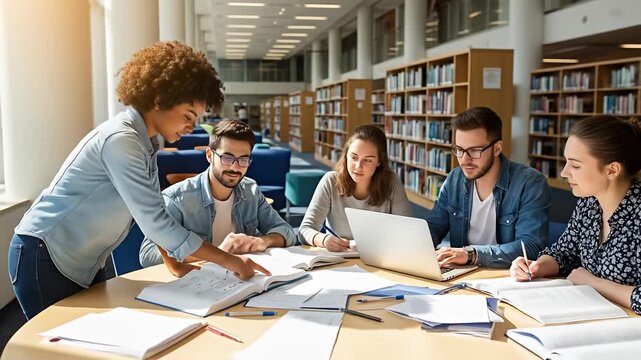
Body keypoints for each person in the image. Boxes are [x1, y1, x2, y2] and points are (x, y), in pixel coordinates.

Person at [7, 42, 268, 320]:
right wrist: (230, 261)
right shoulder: (122, 141)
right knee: (54, 343)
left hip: (83, 259)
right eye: (188, 116)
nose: (192, 126)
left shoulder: (146, 142)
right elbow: (157, 223)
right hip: (44, 254)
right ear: (160, 99)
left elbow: (151, 211)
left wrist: (175, 266)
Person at [511, 115, 641, 315]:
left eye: (576, 165)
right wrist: (537, 266)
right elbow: (564, 253)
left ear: (612, 170)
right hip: (593, 318)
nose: (564, 172)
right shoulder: (589, 203)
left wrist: (592, 283)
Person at [139, 119, 297, 272]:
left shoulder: (251, 191)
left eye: (243, 159)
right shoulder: (177, 198)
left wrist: (262, 241)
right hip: (197, 282)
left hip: (241, 278)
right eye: (227, 158)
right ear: (209, 155)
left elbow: (287, 231)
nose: (235, 167)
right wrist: (217, 253)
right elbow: (148, 254)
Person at [427, 107, 551, 268]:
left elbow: (530, 246)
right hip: (461, 275)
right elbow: (434, 226)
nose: (464, 160)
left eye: (474, 151)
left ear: (497, 148)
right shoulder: (455, 178)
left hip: (506, 278)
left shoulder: (530, 183)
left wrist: (472, 254)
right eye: (459, 150)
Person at [299, 124, 412, 251]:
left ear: (379, 161)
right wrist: (324, 240)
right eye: (354, 157)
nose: (358, 166)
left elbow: (406, 232)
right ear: (346, 155)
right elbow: (304, 230)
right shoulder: (331, 181)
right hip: (339, 261)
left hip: (379, 259)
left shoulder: (391, 183)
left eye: (368, 160)